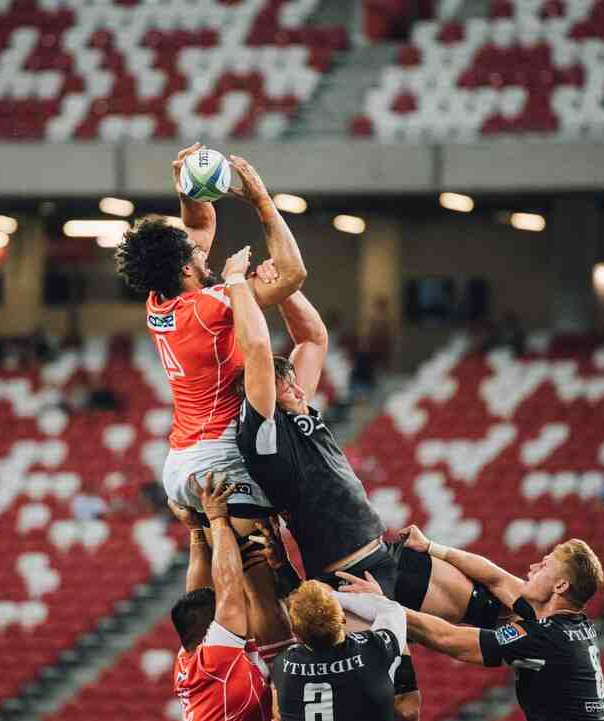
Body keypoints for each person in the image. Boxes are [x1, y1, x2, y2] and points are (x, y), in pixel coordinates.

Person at [228, 259, 509, 629]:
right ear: (266, 398)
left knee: (495, 613)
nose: (299, 390)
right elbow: (258, 351)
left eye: (295, 383)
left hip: (385, 554)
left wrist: (283, 288)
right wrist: (237, 282)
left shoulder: (297, 408)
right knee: (384, 666)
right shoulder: (264, 435)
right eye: (286, 388)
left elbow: (313, 339)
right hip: (345, 580)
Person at [115, 143, 306, 523]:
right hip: (218, 457)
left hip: (181, 460)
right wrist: (262, 202)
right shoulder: (211, 305)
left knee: (211, 546)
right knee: (262, 553)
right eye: (196, 253)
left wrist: (187, 189)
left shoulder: (158, 300)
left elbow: (200, 227)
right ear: (187, 269)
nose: (205, 251)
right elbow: (292, 274)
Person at [351, 526, 604, 721]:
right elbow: (496, 578)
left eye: (544, 566)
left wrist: (384, 606)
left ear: (560, 586)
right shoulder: (569, 621)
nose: (533, 566)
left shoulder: (543, 636)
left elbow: (451, 640)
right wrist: (431, 547)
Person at [171, 472, 273, 721]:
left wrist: (197, 529)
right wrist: (216, 518)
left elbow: (198, 596)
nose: (227, 609)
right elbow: (229, 585)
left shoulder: (196, 656)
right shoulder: (212, 660)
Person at [272, 580, 419, 721]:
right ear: (342, 618)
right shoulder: (374, 648)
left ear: (296, 633)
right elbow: (391, 609)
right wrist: (335, 595)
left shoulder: (282, 665)